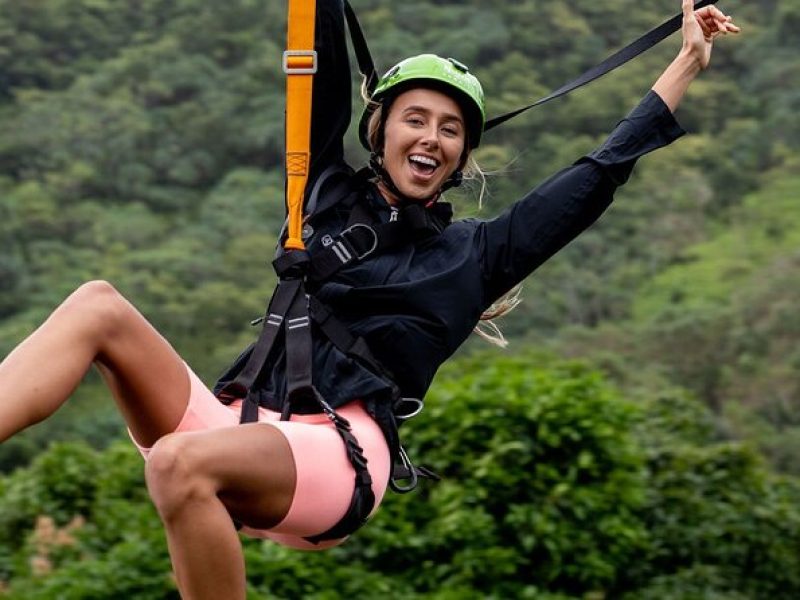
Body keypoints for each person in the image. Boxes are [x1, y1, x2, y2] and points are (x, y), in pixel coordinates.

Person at [0, 1, 739, 598]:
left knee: (177, 464)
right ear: (380, 130)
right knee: (99, 307)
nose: (432, 137)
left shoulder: (476, 254)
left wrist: (683, 64)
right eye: (416, 119)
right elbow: (313, 41)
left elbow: (595, 175)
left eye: (451, 130)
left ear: (459, 158)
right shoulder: (325, 193)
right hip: (245, 419)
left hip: (341, 454)